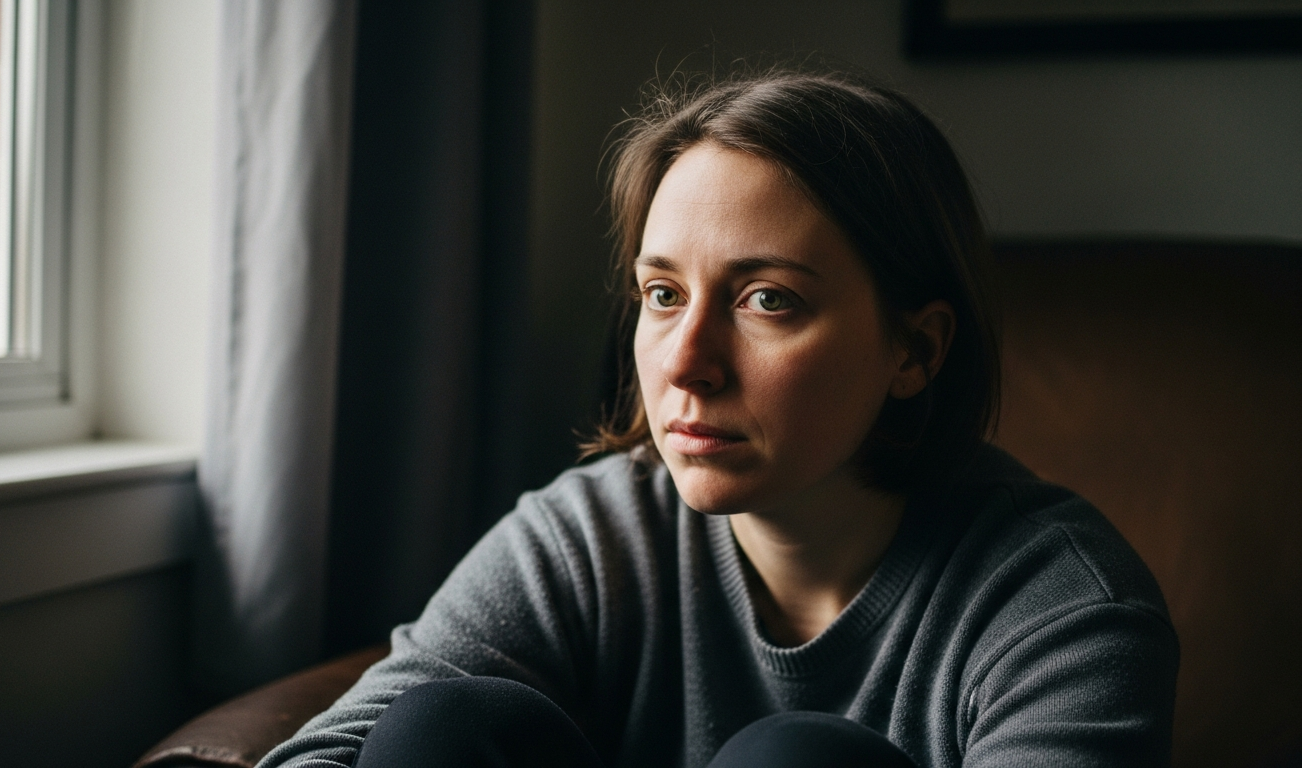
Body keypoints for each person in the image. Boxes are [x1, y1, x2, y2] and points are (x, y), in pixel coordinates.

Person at [257, 69, 1178, 768]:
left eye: (767, 299)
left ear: (915, 351)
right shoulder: (593, 536)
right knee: (449, 727)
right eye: (662, 294)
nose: (686, 362)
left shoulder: (1063, 609)